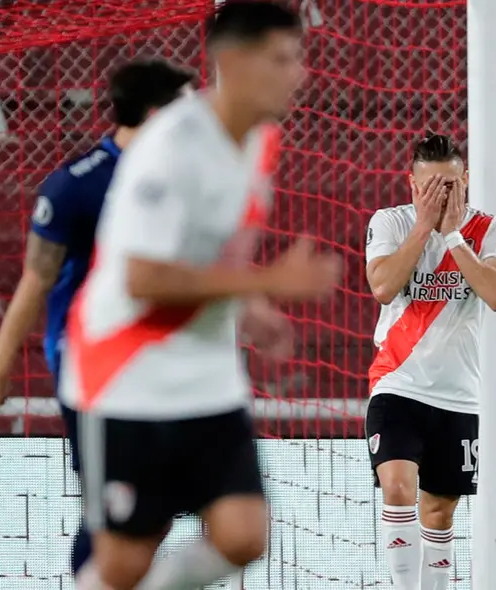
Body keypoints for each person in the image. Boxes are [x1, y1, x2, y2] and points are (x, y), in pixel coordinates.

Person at [59, 2, 343, 589]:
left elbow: (213, 257)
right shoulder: (172, 145)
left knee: (244, 535)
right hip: (126, 375)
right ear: (234, 63)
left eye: (299, 57)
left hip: (209, 376)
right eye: (283, 58)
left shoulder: (262, 140)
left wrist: (253, 307)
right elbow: (143, 279)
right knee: (122, 566)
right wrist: (267, 283)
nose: (300, 73)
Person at [0, 57, 195, 581]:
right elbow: (37, 278)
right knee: (112, 503)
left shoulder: (179, 184)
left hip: (156, 360)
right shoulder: (76, 185)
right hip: (91, 363)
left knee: (152, 508)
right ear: (159, 113)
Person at [364, 132, 496, 590]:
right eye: (429, 186)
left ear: (465, 180)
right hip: (397, 383)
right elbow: (384, 287)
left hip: (458, 394)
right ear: (412, 185)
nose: (439, 195)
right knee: (397, 488)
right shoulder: (390, 222)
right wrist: (423, 228)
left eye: (448, 185)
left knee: (438, 513)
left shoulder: (490, 230)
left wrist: (450, 235)